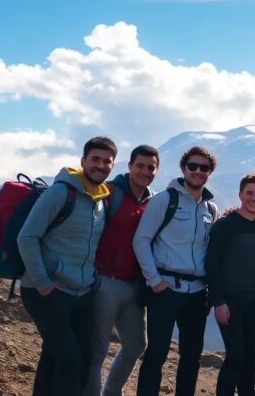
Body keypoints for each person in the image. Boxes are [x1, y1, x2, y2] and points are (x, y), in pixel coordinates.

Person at [17, 136, 117, 396]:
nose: (101, 165)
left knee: (67, 355)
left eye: (107, 161)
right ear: (83, 161)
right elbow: (27, 237)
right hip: (47, 290)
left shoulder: (101, 199)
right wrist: (43, 284)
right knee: (70, 359)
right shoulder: (61, 193)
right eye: (95, 159)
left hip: (81, 292)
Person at [133, 146, 219, 396]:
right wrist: (154, 281)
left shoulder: (210, 209)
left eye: (204, 167)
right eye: (193, 166)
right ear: (184, 168)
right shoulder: (164, 200)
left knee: (191, 356)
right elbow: (141, 240)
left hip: (197, 293)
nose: (198, 171)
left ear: (210, 172)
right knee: (156, 353)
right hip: (165, 289)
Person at [85, 144, 159, 396]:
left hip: (134, 286)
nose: (145, 171)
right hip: (105, 281)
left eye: (151, 167)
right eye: (140, 166)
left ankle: (111, 392)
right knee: (97, 350)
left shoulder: (152, 201)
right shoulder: (110, 193)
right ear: (129, 166)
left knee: (136, 344)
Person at [206, 173, 255, 396]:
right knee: (235, 355)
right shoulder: (225, 225)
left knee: (251, 355)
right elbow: (212, 264)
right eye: (249, 193)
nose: (254, 198)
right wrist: (218, 301)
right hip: (229, 300)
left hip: (253, 299)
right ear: (240, 194)